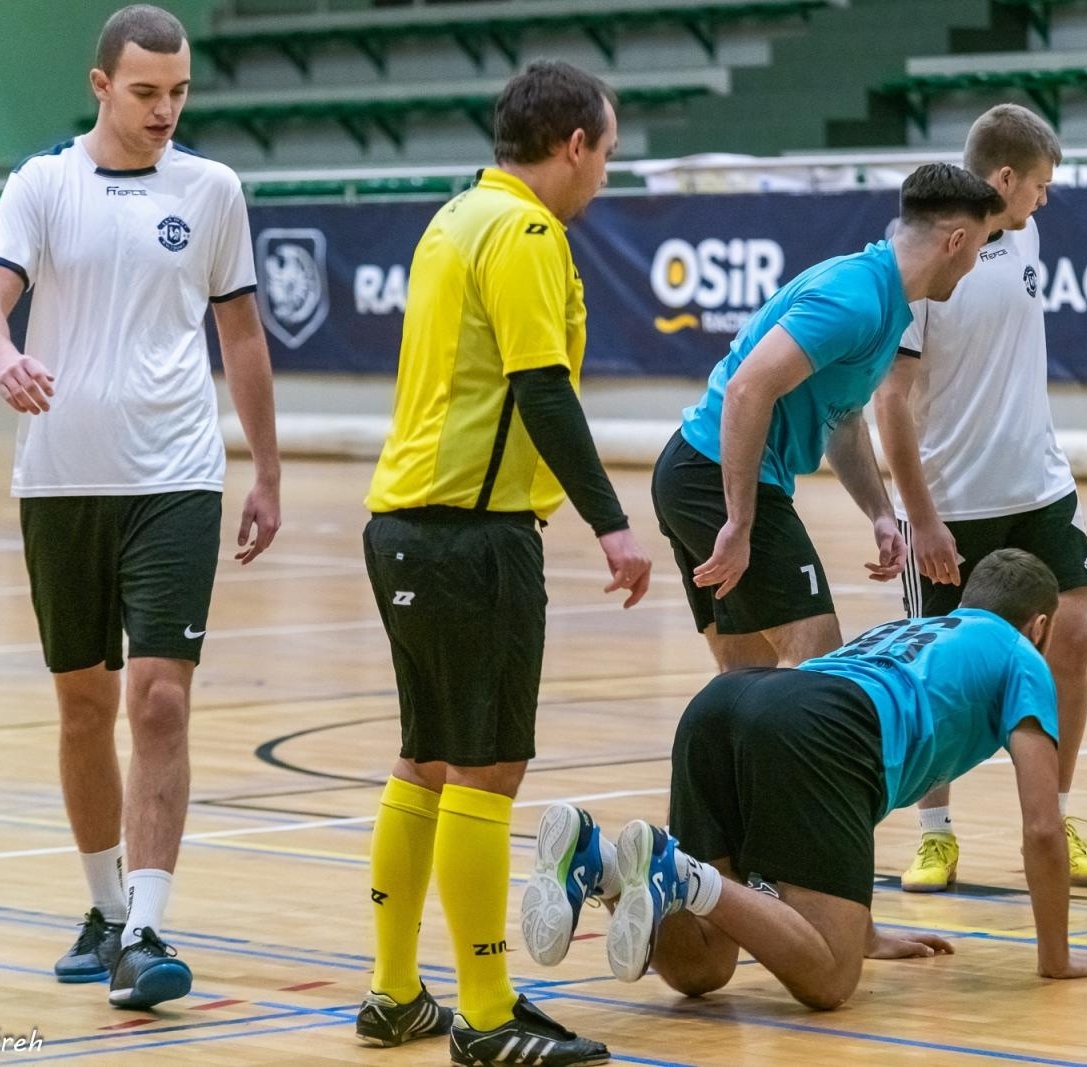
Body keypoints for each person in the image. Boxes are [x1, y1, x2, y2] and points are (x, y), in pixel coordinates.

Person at [0, 4, 280, 1010]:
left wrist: (265, 470)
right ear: (102, 86)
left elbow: (242, 341)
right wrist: (4, 355)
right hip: (61, 479)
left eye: (178, 92)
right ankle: (102, 906)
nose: (164, 110)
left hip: (176, 474)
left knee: (160, 697)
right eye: (145, 92)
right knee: (85, 704)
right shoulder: (42, 184)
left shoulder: (213, 191)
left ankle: (145, 926)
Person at [358, 60, 652, 1065]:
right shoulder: (528, 231)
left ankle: (397, 991)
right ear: (572, 144)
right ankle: (485, 1012)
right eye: (605, 152)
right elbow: (541, 388)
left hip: (402, 527)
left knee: (427, 759)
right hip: (470, 536)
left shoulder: (453, 218)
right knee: (487, 766)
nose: (605, 174)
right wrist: (612, 521)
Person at [521, 549, 1087, 1010]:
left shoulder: (914, 629)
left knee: (700, 970)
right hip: (818, 726)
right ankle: (674, 871)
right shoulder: (1021, 657)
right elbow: (1044, 827)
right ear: (1041, 626)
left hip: (726, 703)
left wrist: (864, 929)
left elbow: (845, 797)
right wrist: (1056, 960)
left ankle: (598, 862)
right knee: (830, 981)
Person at [874, 103, 1087, 894]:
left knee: (1072, 634)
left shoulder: (1028, 231)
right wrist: (921, 516)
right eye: (1039, 185)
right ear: (1002, 180)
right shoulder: (919, 261)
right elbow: (892, 403)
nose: (1046, 200)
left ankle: (1060, 814)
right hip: (951, 502)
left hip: (1040, 483)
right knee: (937, 669)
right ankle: (935, 831)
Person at [652, 164, 1004, 671]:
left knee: (748, 677)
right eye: (980, 245)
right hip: (712, 474)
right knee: (820, 659)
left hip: (696, 474)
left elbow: (842, 421)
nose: (976, 262)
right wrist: (739, 520)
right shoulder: (854, 299)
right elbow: (746, 390)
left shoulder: (885, 302)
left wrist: (881, 514)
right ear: (956, 240)